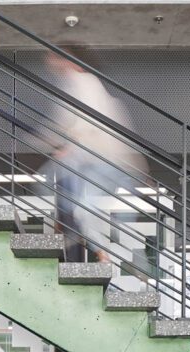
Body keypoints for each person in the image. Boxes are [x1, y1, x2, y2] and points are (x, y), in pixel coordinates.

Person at [43, 48, 148, 264]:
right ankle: (98, 248)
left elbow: (86, 117)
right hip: (98, 158)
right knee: (80, 204)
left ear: (68, 59)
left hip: (103, 157)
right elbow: (65, 122)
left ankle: (110, 253)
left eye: (55, 58)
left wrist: (68, 143)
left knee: (84, 205)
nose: (51, 63)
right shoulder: (74, 84)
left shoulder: (83, 81)